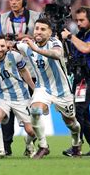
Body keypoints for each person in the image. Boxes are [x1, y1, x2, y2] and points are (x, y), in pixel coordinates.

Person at [17, 18, 82, 158]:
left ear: (50, 32)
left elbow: (57, 54)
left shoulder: (54, 42)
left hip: (62, 91)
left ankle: (76, 143)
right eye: (37, 28)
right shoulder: (26, 45)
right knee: (35, 111)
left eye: (42, 29)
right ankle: (43, 146)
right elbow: (8, 46)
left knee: (72, 124)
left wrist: (36, 49)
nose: (38, 32)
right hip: (42, 89)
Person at [0, 33, 37, 159]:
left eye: (2, 46)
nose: (0, 49)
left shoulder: (15, 56)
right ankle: (1, 150)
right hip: (1, 96)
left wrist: (34, 90)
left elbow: (24, 72)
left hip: (21, 95)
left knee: (32, 131)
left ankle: (28, 144)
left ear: (6, 46)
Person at [0, 0, 41, 156]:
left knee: (32, 111)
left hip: (32, 69)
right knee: (7, 111)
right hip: (10, 70)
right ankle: (6, 147)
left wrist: (28, 38)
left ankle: (31, 145)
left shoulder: (36, 17)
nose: (13, 2)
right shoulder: (3, 18)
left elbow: (44, 36)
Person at [61, 6, 90, 157]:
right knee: (83, 113)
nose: (78, 23)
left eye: (82, 20)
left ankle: (77, 146)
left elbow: (87, 48)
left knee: (78, 109)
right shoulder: (81, 35)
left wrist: (69, 37)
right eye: (77, 20)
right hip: (82, 79)